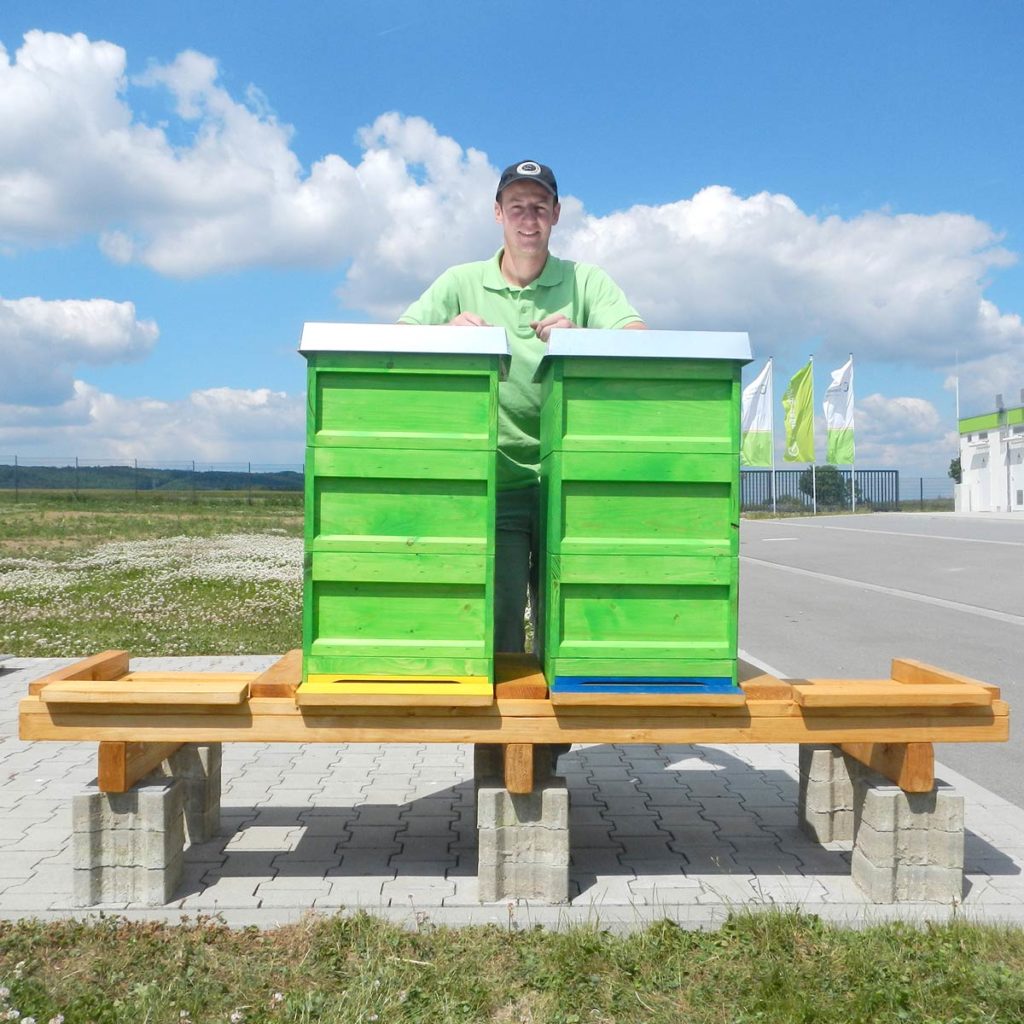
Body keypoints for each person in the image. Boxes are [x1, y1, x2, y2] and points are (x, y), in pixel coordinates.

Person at [399, 159, 646, 654]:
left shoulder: (586, 281)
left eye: (539, 207)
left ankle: (552, 733)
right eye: (517, 208)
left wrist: (584, 341)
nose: (528, 219)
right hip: (498, 477)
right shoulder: (459, 280)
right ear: (497, 213)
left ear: (557, 213)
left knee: (567, 626)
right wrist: (444, 335)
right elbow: (398, 340)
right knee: (498, 623)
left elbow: (638, 340)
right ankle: (496, 734)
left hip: (573, 482)